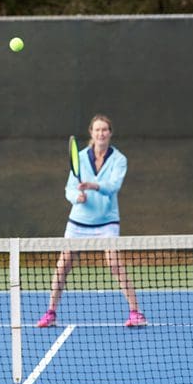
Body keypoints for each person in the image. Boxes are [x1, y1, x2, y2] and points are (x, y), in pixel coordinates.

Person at [36, 114, 147, 328]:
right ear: (91, 133)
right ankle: (50, 313)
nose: (101, 133)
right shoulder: (80, 156)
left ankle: (136, 312)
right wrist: (76, 197)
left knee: (114, 263)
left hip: (107, 221)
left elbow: (113, 186)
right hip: (78, 221)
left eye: (105, 129)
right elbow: (69, 188)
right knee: (63, 265)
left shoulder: (119, 160)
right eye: (97, 130)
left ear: (110, 133)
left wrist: (93, 186)